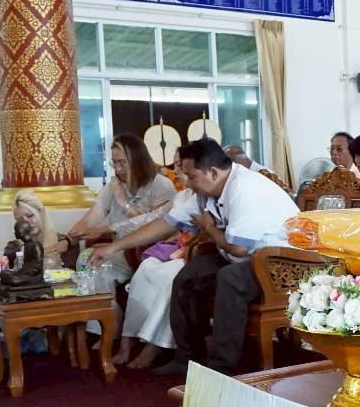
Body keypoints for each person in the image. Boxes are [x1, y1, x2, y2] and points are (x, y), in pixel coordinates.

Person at [89, 139, 299, 376]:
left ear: (212, 172)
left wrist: (209, 228)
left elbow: (238, 248)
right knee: (188, 275)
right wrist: (113, 247)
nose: (186, 181)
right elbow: (165, 224)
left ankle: (221, 368)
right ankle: (187, 357)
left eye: (191, 176)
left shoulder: (245, 188)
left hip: (283, 263)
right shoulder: (205, 192)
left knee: (230, 278)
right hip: (246, 257)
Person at [115, 152, 195, 369]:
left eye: (181, 165)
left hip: (195, 253)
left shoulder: (208, 194)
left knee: (170, 277)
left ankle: (154, 345)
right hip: (177, 247)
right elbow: (163, 223)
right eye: (175, 165)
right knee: (146, 268)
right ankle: (128, 338)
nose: (176, 170)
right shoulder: (182, 197)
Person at [68, 134, 175, 284]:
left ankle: (105, 305)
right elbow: (88, 221)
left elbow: (154, 228)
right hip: (118, 250)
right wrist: (66, 241)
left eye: (123, 163)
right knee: (86, 257)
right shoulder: (113, 186)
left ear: (138, 160)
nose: (118, 169)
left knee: (102, 267)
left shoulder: (161, 185)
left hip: (144, 254)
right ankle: (93, 304)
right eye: (114, 163)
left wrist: (123, 202)